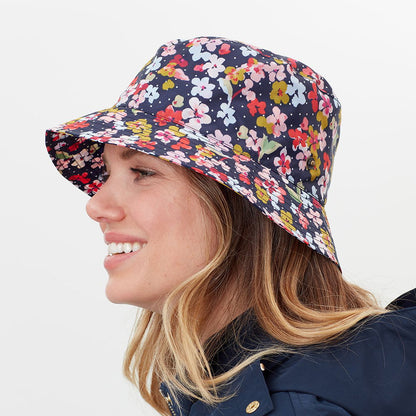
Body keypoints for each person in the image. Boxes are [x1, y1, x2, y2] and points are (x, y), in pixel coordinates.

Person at [45, 36, 416, 416]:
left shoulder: (290, 404)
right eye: (108, 174)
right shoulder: (349, 374)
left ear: (240, 204)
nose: (96, 206)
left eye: (142, 171)